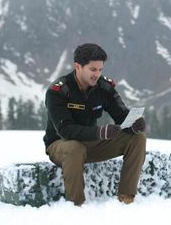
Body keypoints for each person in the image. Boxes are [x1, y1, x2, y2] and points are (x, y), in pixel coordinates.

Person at [43, 43, 146, 206]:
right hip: (60, 146)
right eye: (93, 69)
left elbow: (121, 114)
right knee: (74, 147)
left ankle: (126, 198)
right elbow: (65, 130)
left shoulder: (104, 87)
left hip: (90, 144)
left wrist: (133, 123)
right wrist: (99, 133)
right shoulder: (58, 91)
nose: (97, 74)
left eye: (100, 70)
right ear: (77, 66)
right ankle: (76, 205)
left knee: (137, 138)